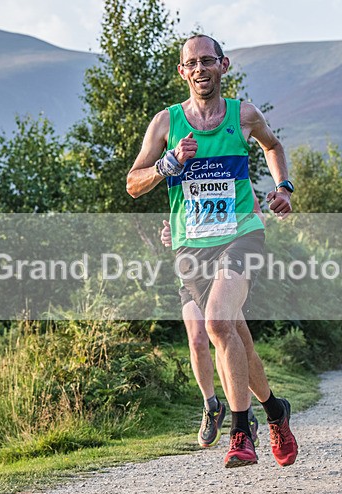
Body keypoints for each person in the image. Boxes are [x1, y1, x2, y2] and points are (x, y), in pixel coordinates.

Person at [127, 34, 297, 468]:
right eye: (192, 63)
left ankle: (241, 432)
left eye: (208, 61)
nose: (200, 69)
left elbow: (273, 146)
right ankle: (275, 411)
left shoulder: (243, 115)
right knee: (233, 335)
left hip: (242, 231)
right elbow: (133, 183)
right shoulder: (165, 124)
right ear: (183, 72)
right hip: (191, 245)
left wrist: (283, 188)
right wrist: (167, 165)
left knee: (218, 321)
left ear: (223, 65)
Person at [161, 192, 264, 449]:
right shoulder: (182, 171)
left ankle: (243, 409)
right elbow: (179, 225)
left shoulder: (232, 170)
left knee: (220, 332)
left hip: (225, 268)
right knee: (197, 339)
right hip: (192, 270)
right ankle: (211, 406)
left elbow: (256, 215)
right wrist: (170, 234)